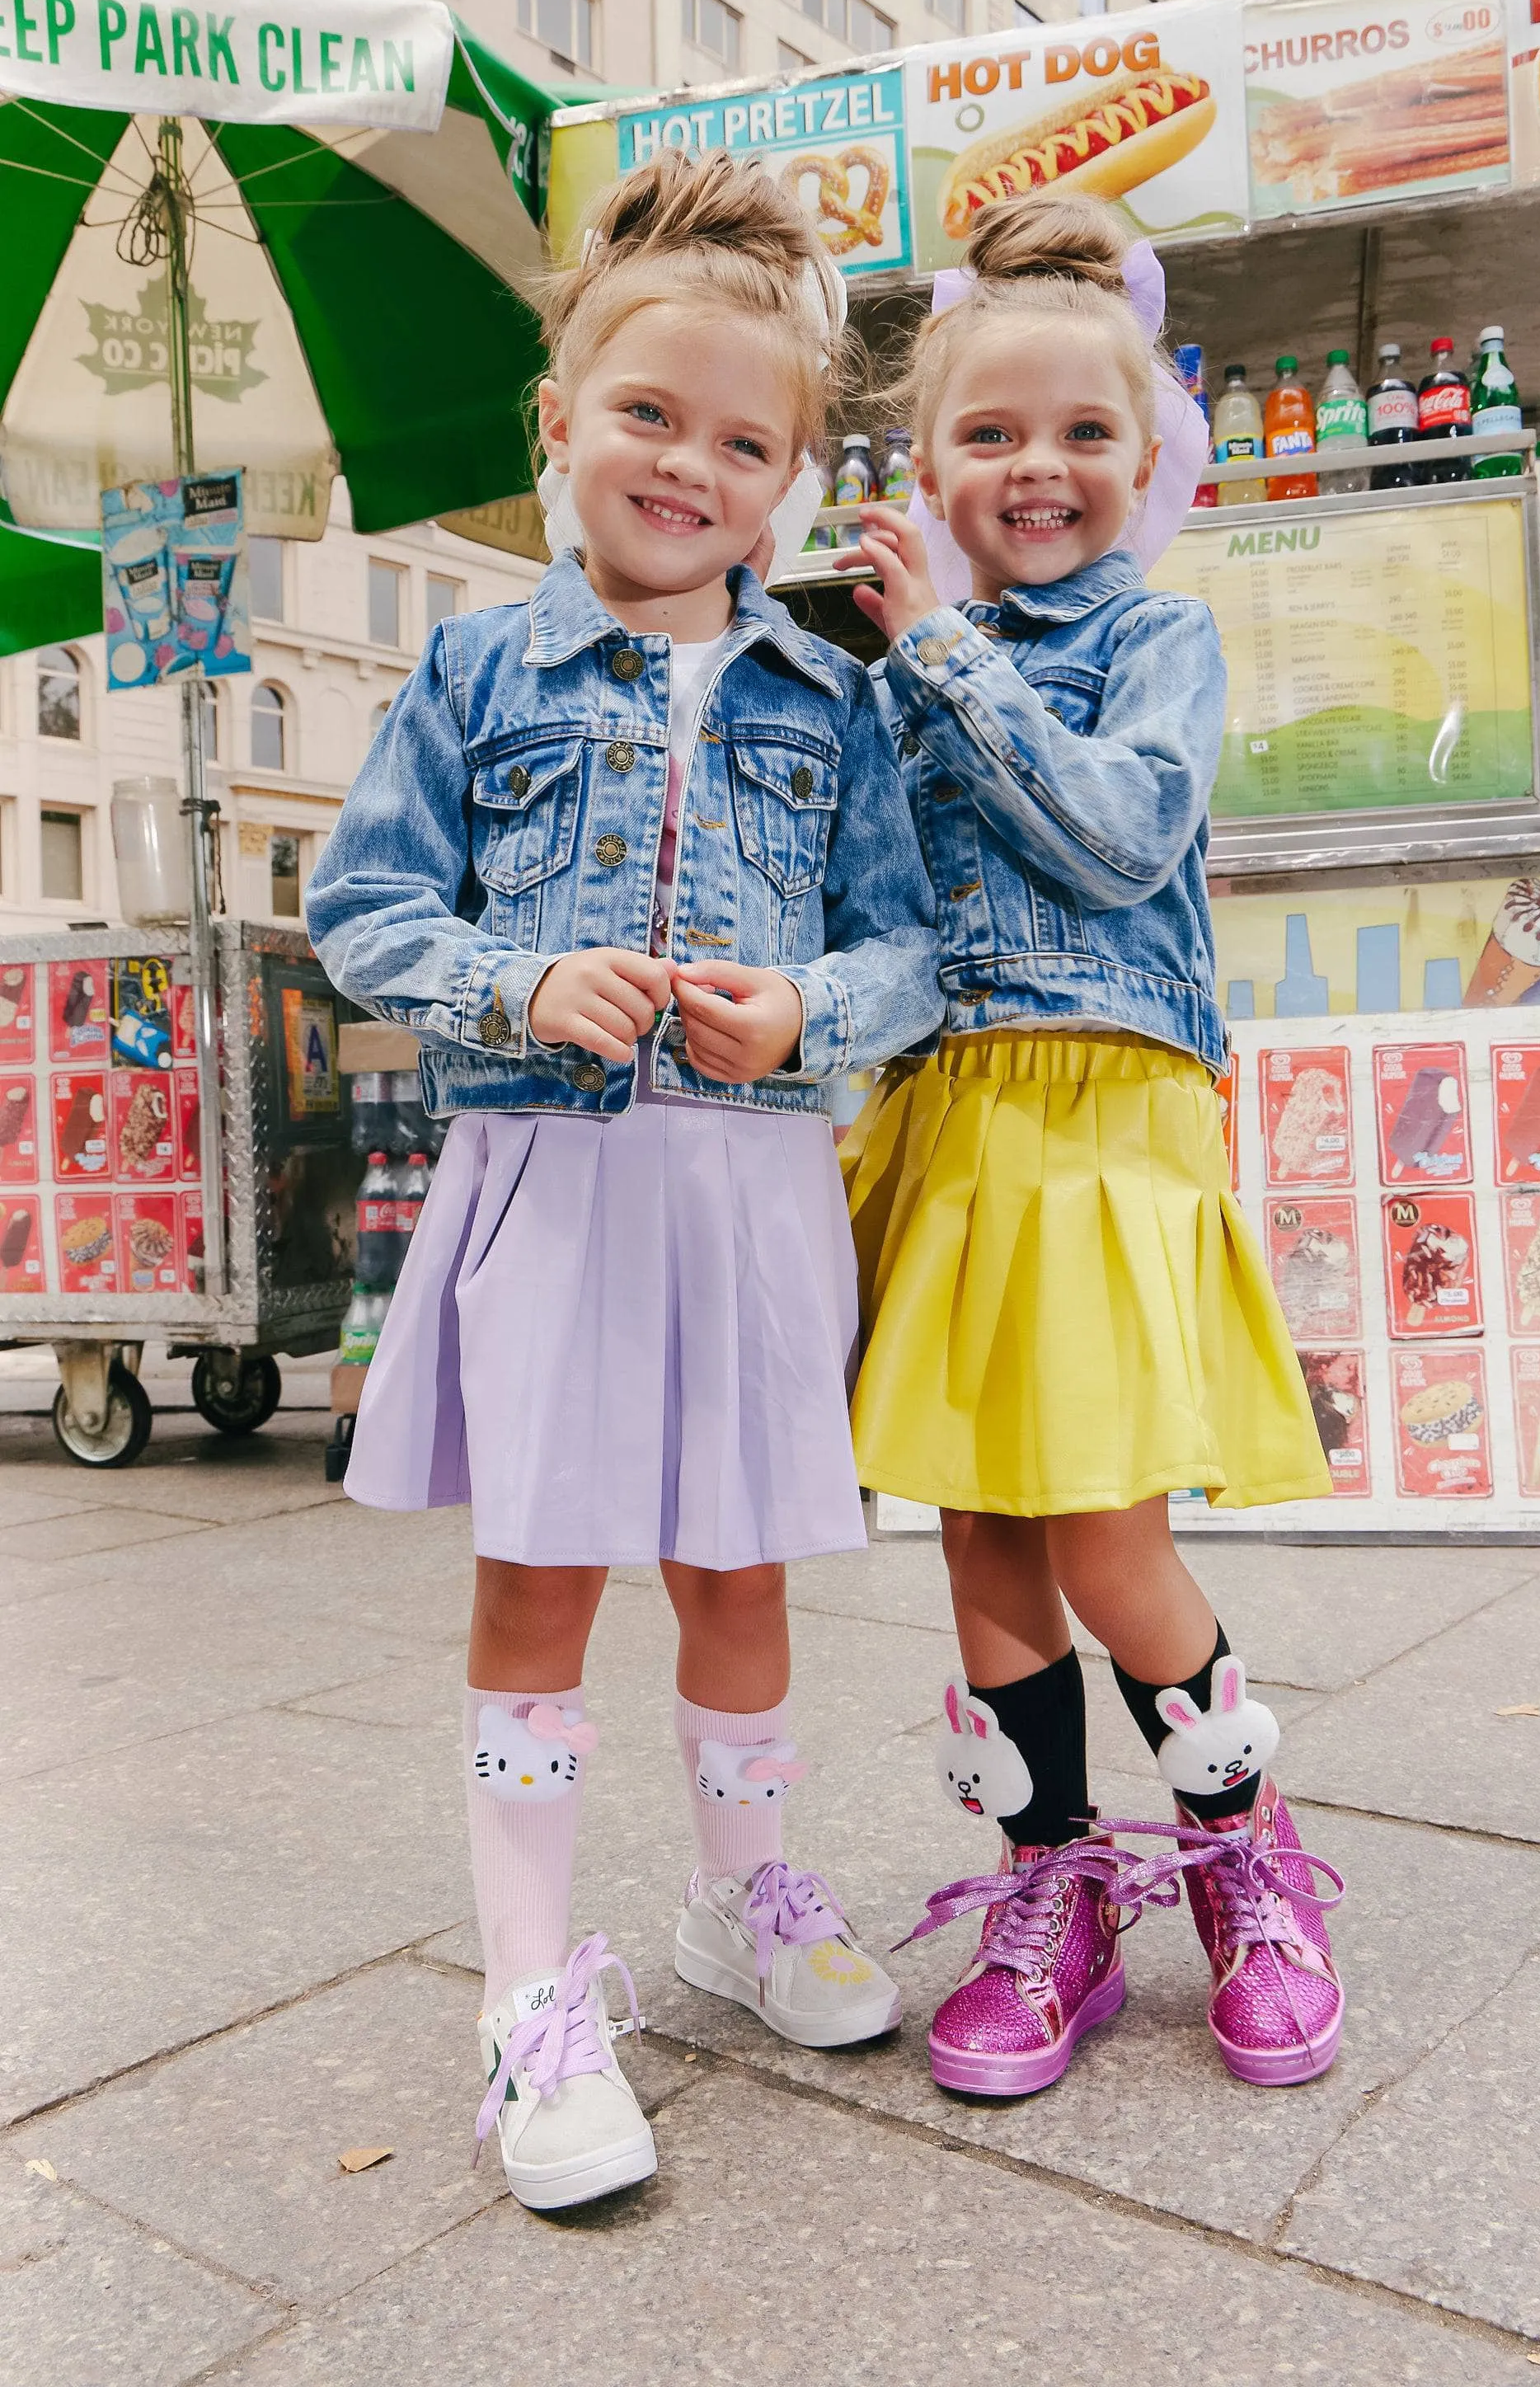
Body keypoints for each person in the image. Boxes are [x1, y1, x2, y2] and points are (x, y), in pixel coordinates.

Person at [306, 151, 941, 2211]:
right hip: (555, 1184)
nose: (689, 464)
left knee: (741, 1569)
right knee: (543, 1574)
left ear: (792, 484)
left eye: (744, 442)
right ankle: (525, 1993)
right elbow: (366, 909)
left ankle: (741, 1898)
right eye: (647, 412)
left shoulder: (835, 694)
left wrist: (807, 1011)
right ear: (559, 417)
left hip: (748, 1197)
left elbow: (906, 952)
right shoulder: (472, 676)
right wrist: (517, 975)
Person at [835, 194, 1345, 2102]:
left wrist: (955, 659)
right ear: (926, 464)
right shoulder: (881, 661)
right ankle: (1051, 1882)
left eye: (1080, 435)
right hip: (948, 1116)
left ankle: (1244, 1851)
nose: (1035, 467)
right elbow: (870, 915)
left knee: (1104, 1526)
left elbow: (1124, 837)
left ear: (1147, 462)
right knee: (978, 1520)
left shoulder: (1157, 638)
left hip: (1105, 1116)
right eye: (989, 434)